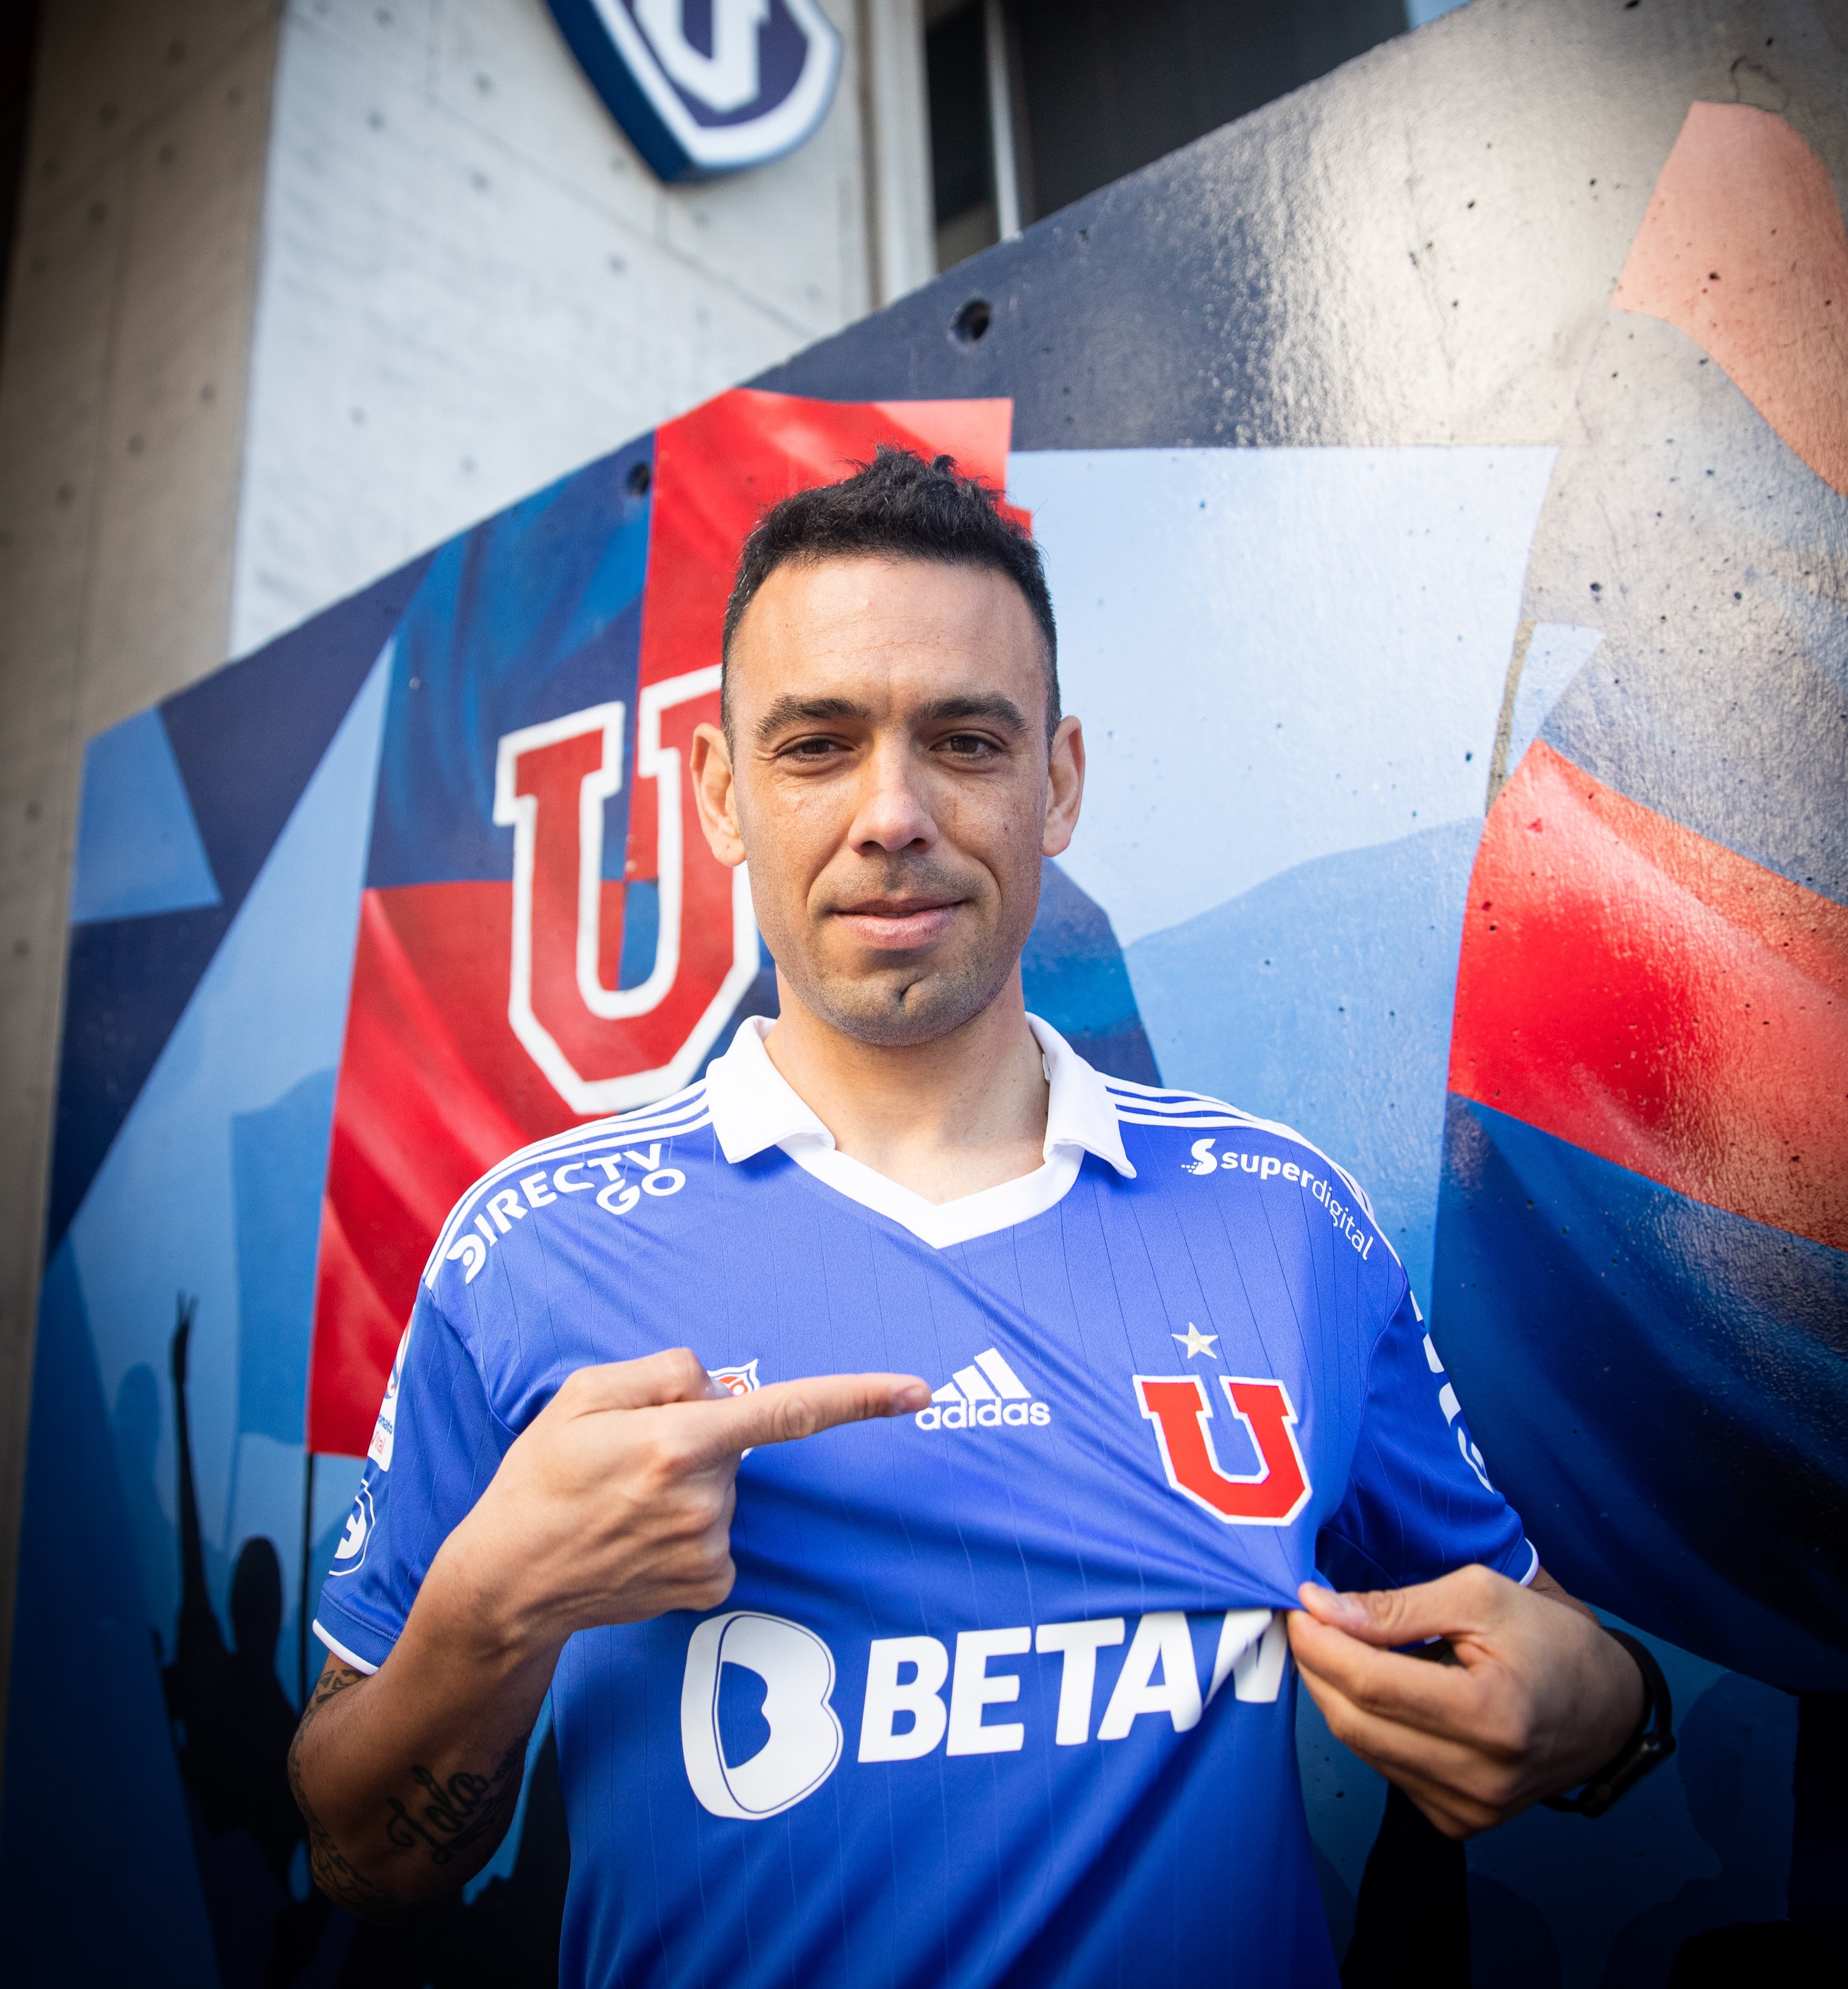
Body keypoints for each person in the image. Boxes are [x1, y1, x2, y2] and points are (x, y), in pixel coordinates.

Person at [292, 449, 1653, 1987]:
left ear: (1055, 781)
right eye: (817, 745)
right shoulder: (527, 1251)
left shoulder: (1286, 1224)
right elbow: (363, 1857)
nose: (894, 815)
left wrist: (1599, 1711)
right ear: (723, 795)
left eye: (963, 739)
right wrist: (492, 1605)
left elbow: (1557, 1652)